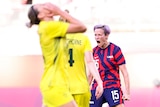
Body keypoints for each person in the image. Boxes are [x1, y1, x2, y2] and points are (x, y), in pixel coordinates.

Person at [26, 2, 87, 107]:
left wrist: (62, 13)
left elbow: (64, 24)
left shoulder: (50, 27)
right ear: (40, 16)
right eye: (42, 6)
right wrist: (59, 11)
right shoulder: (48, 27)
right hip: (54, 85)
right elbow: (81, 27)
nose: (47, 5)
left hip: (53, 84)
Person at [57, 10, 104, 107]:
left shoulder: (56, 39)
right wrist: (99, 81)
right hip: (81, 87)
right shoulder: (83, 39)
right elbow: (90, 62)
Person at [88, 24, 130, 107]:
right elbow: (90, 74)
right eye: (95, 35)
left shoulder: (115, 50)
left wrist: (127, 92)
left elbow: (125, 72)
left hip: (112, 86)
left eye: (99, 35)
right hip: (97, 88)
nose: (97, 37)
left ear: (106, 36)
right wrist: (85, 90)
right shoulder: (93, 51)